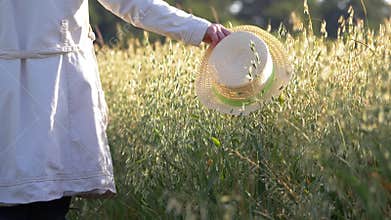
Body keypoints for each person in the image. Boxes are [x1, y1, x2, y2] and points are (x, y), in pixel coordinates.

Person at [0, 0, 230, 219]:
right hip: (56, 87)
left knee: (38, 200)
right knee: (45, 203)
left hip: (53, 87)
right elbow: (135, 5)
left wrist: (199, 29)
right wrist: (201, 29)